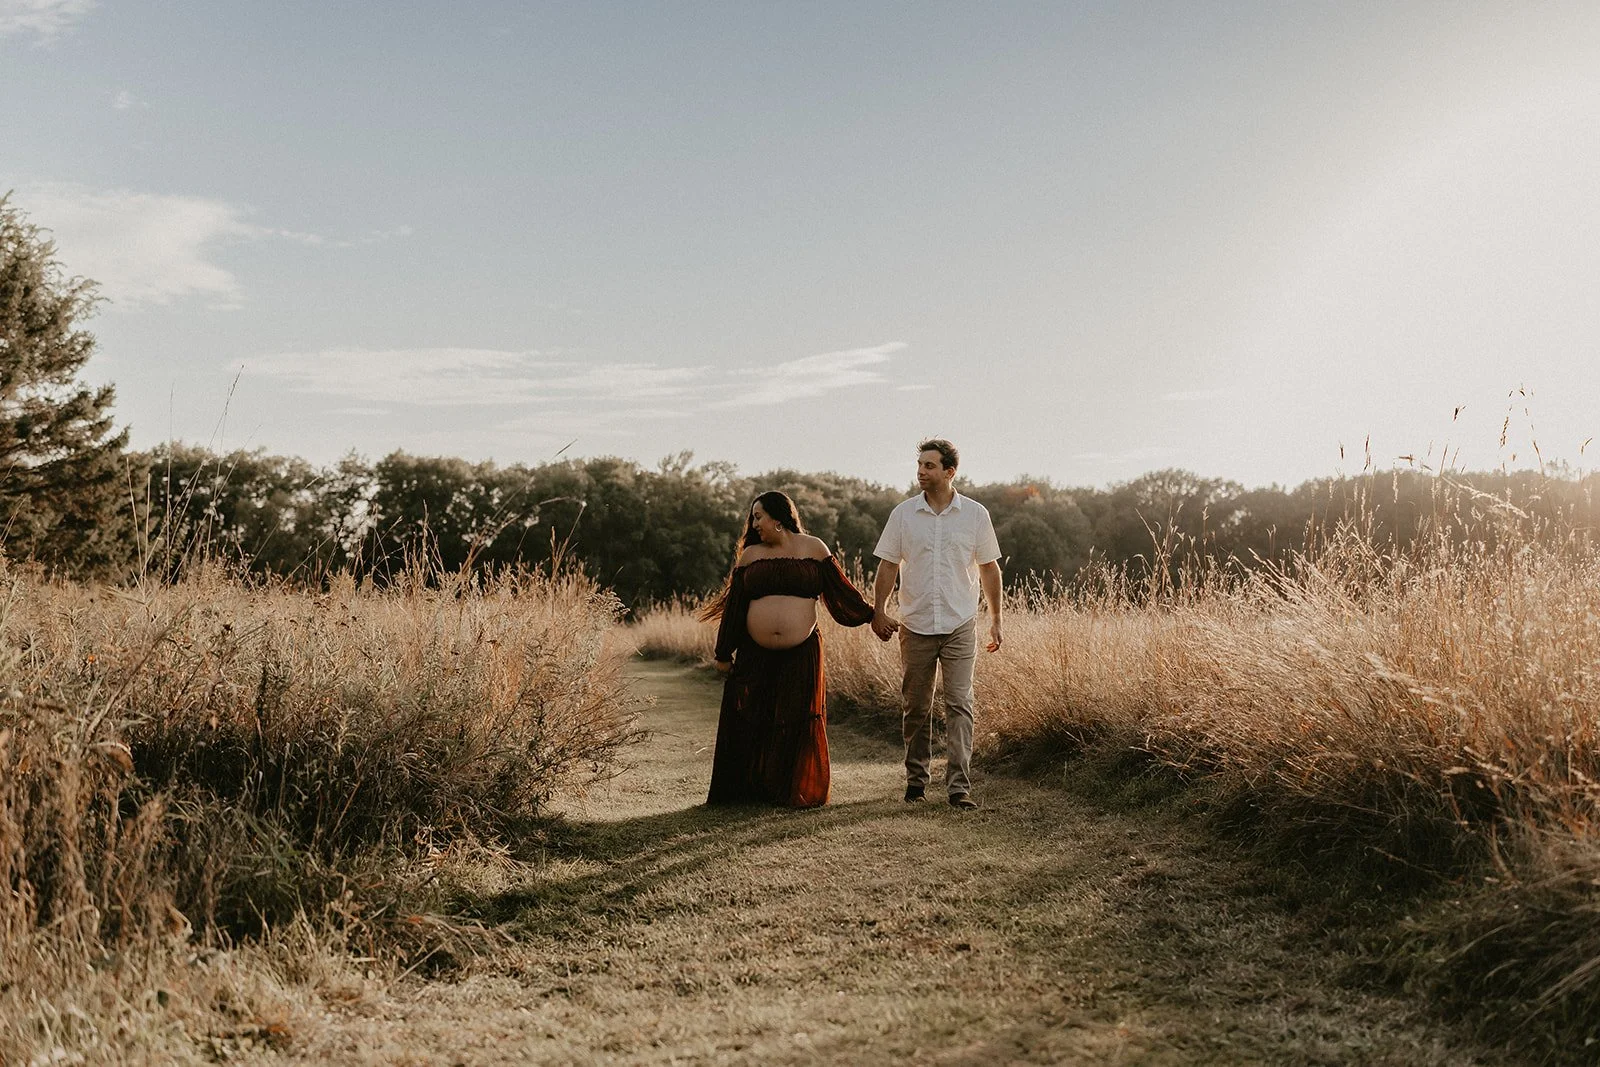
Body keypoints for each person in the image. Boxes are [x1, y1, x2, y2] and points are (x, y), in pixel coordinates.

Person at [702, 491, 879, 807]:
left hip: (802, 651)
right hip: (755, 652)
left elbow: (841, 591)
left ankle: (791, 790)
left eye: (759, 516)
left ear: (778, 518)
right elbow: (735, 607)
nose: (754, 524)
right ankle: (749, 792)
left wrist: (872, 615)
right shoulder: (751, 555)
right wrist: (723, 652)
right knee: (751, 715)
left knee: (796, 718)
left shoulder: (814, 548)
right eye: (752, 517)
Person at [871, 439, 1003, 810]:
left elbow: (989, 567)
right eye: (919, 464)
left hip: (960, 622)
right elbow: (888, 565)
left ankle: (959, 788)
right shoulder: (903, 514)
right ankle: (916, 782)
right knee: (916, 706)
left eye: (929, 465)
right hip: (915, 623)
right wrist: (878, 610)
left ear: (949, 472)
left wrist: (996, 619)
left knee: (960, 703)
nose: (921, 471)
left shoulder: (976, 515)